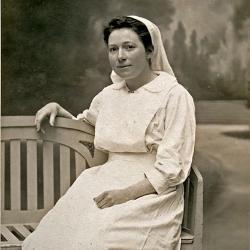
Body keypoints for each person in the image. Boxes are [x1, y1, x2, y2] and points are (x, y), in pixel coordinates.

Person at [22, 15, 196, 250]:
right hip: (103, 181)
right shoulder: (108, 95)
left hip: (150, 194)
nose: (120, 56)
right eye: (113, 49)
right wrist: (58, 109)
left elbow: (170, 169)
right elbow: (89, 123)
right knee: (49, 240)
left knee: (102, 240)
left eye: (129, 47)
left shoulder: (174, 96)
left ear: (149, 51)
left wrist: (124, 195)